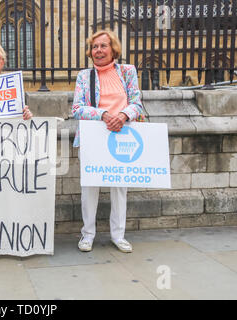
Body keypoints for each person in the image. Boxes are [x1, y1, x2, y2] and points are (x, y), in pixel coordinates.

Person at [72, 30, 144, 253]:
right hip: (93, 135)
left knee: (120, 187)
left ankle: (118, 235)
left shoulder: (127, 71)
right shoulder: (85, 76)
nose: (99, 50)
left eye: (103, 46)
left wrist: (122, 116)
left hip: (122, 135)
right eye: (95, 47)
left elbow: (137, 103)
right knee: (90, 188)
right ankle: (87, 235)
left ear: (113, 49)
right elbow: (77, 108)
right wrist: (103, 115)